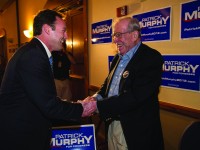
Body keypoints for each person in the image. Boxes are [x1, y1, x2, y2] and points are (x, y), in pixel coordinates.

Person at [0, 9, 96, 150]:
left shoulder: (35, 52)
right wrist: (81, 109)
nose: (67, 35)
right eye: (63, 31)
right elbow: (49, 104)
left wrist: (78, 104)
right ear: (47, 29)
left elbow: (43, 97)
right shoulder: (32, 55)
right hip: (22, 137)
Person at [92, 17, 164, 150]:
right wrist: (94, 98)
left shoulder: (151, 58)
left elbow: (134, 97)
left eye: (119, 35)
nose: (115, 40)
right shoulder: (117, 58)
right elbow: (107, 86)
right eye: (114, 35)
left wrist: (97, 106)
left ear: (135, 35)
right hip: (112, 123)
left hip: (135, 131)